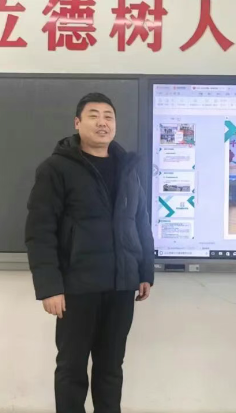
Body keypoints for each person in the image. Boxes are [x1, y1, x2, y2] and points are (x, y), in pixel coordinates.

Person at [25, 93, 154, 413]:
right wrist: (49, 286)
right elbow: (40, 231)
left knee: (111, 367)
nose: (102, 122)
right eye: (93, 115)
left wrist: (144, 272)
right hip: (76, 286)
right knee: (72, 368)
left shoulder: (127, 168)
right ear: (77, 123)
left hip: (121, 285)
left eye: (108, 116)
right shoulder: (56, 168)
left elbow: (140, 221)